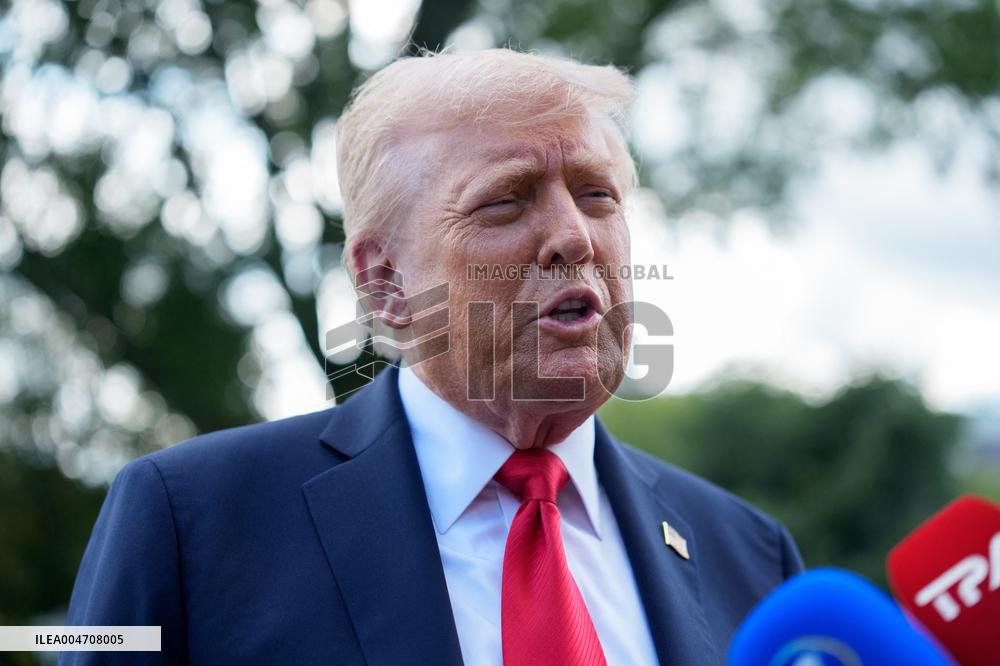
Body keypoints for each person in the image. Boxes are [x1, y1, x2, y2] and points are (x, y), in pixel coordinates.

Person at [63, 49, 803, 665]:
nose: (574, 237)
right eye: (505, 201)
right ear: (385, 284)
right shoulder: (187, 521)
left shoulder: (752, 556)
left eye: (597, 195)